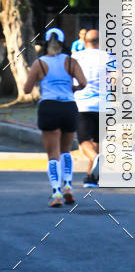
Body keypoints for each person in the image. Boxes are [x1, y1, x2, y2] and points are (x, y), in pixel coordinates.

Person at [23, 28, 87, 207]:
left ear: (45, 42)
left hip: (48, 107)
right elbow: (83, 83)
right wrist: (72, 89)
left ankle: (56, 192)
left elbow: (27, 89)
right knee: (66, 150)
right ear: (63, 42)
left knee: (53, 154)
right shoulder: (70, 62)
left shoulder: (40, 63)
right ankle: (68, 186)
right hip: (68, 106)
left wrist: (42, 82)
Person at [72, 29, 115, 188]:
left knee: (83, 141)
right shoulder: (109, 57)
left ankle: (96, 159)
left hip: (82, 104)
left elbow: (70, 78)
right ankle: (91, 177)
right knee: (97, 140)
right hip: (104, 105)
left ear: (84, 42)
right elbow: (116, 78)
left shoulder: (76, 57)